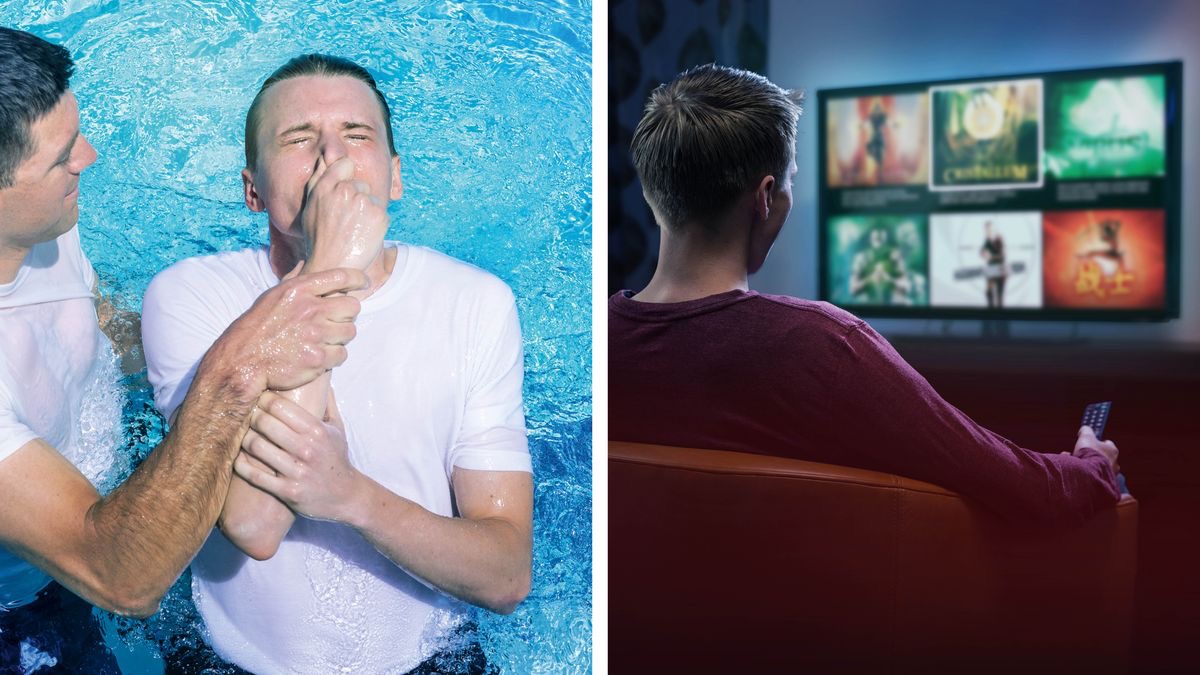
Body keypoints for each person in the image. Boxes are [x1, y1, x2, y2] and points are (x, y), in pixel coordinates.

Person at [141, 54, 533, 674]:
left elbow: (507, 575)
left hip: (432, 659)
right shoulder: (191, 296)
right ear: (253, 189)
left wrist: (352, 497)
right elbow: (254, 521)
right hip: (231, 661)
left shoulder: (477, 303)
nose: (333, 157)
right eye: (299, 139)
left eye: (357, 136)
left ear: (395, 176)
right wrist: (332, 265)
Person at [609, 64, 1121, 526]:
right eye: (786, 185)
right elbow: (1035, 492)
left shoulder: (597, 345)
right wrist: (1093, 461)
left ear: (655, 197)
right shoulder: (822, 347)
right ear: (765, 198)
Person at [0, 28, 366, 671]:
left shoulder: (41, 226)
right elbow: (123, 578)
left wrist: (188, 335)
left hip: (116, 483)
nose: (87, 157)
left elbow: (99, 325)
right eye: (61, 157)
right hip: (30, 599)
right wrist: (241, 359)